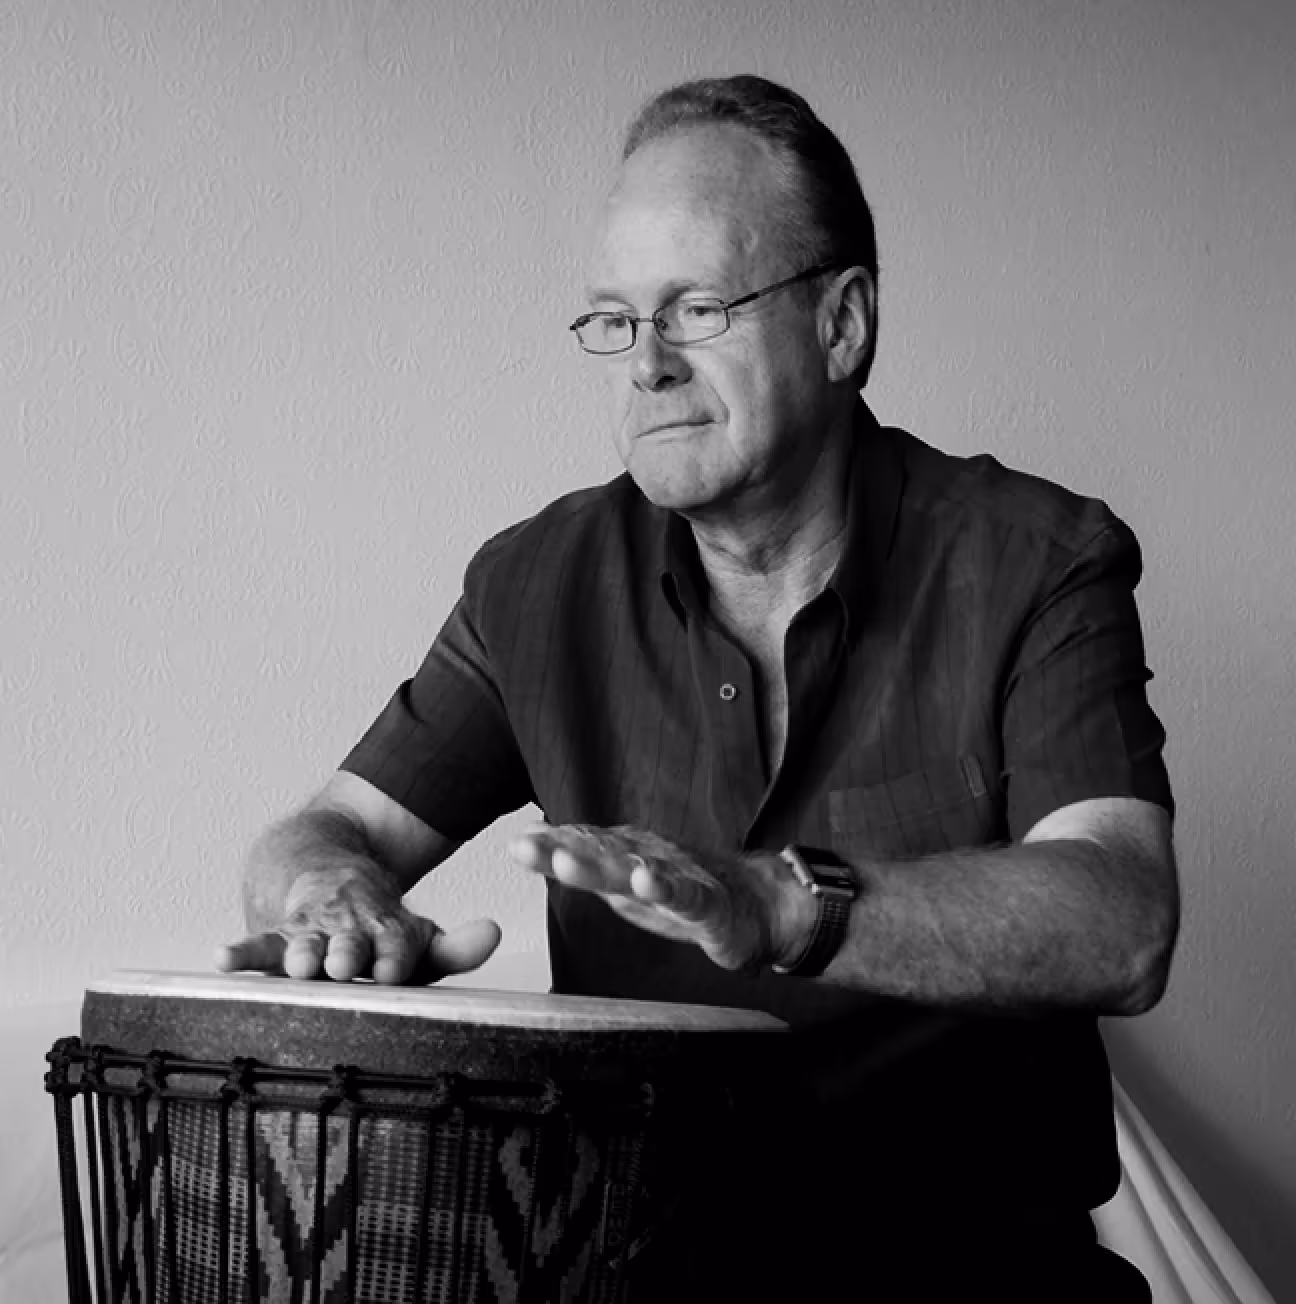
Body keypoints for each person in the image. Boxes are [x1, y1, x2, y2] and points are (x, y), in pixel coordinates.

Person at [217, 75, 1178, 1301]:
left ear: (843, 325)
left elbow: (1122, 915)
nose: (648, 364)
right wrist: (334, 898)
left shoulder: (1040, 558)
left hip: (971, 1271)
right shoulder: (537, 581)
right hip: (631, 1275)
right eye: (613, 320)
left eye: (698, 307)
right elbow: (332, 827)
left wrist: (782, 906)